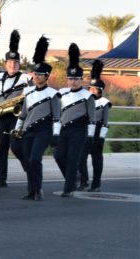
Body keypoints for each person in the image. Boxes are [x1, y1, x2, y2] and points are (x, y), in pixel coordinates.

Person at [12, 36, 58, 201]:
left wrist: (56, 134)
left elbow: (57, 117)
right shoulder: (28, 92)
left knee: (34, 159)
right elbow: (23, 113)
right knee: (27, 160)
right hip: (28, 130)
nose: (37, 77)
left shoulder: (53, 94)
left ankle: (38, 189)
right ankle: (31, 190)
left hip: (44, 130)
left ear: (47, 76)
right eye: (35, 74)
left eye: (40, 75)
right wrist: (18, 129)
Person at [53, 43, 96, 197]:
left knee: (72, 159)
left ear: (81, 79)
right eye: (70, 78)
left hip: (79, 130)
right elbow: (56, 113)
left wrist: (90, 136)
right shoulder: (61, 93)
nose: (73, 82)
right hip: (63, 129)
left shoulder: (87, 96)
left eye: (76, 79)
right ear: (67, 79)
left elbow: (92, 117)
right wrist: (55, 131)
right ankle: (73, 178)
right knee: (58, 156)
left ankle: (69, 188)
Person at [0, 30, 32, 187]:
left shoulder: (26, 78)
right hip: (0, 116)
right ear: (5, 63)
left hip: (17, 117)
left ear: (19, 64)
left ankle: (31, 171)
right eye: (10, 62)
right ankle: (1, 179)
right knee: (0, 148)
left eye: (15, 63)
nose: (12, 65)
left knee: (16, 147)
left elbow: (33, 95)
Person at [78, 59, 110, 192]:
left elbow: (105, 122)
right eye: (90, 88)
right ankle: (84, 181)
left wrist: (101, 138)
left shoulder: (104, 102)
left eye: (94, 89)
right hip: (85, 131)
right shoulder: (85, 100)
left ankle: (96, 184)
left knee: (96, 159)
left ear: (100, 91)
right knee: (80, 158)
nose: (91, 90)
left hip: (97, 133)